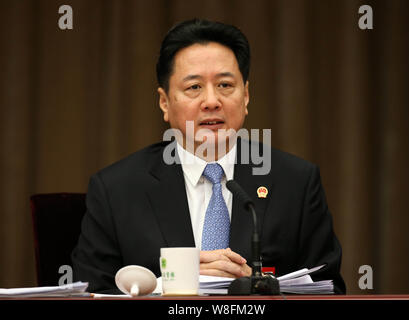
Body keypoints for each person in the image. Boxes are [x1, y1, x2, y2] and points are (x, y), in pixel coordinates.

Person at [71, 19, 346, 294]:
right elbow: (92, 292)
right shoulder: (116, 189)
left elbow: (331, 289)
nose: (212, 101)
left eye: (225, 85)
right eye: (194, 87)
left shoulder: (295, 182)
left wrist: (261, 287)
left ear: (246, 96)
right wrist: (171, 284)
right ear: (164, 102)